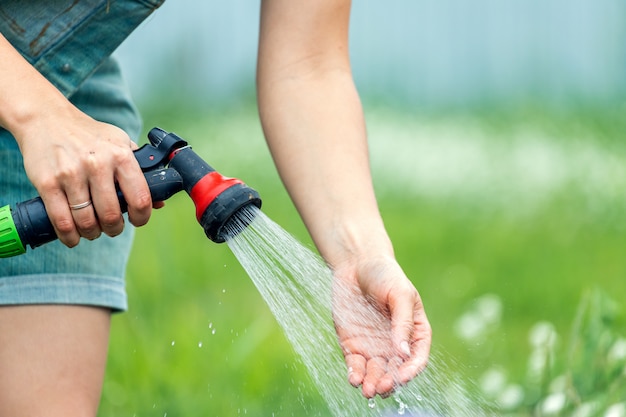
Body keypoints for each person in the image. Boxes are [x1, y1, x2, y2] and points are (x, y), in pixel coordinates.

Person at [0, 0, 431, 415]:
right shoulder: (47, 119)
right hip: (46, 114)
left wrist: (360, 254)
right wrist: (39, 117)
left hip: (68, 83)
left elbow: (307, 67)